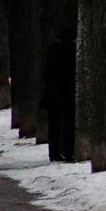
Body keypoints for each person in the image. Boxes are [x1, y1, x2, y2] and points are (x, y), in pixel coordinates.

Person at [41, 26, 76, 162]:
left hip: (53, 94)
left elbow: (45, 73)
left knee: (54, 125)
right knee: (68, 124)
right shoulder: (73, 51)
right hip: (68, 93)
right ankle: (69, 152)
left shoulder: (52, 50)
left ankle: (54, 153)